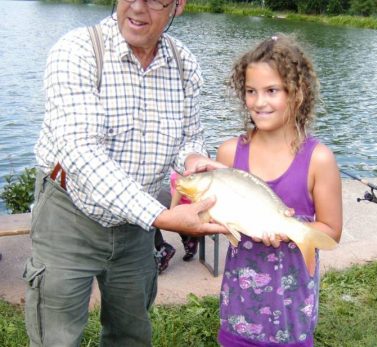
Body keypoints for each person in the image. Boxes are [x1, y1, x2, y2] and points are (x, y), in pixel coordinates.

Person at [24, 0, 227, 346]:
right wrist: (163, 217)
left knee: (130, 334)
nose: (137, 7)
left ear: (178, 5)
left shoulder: (184, 65)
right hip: (68, 214)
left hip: (137, 227)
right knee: (54, 339)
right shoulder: (77, 51)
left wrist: (194, 160)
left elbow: (190, 137)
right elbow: (82, 156)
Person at [215, 34, 343, 346]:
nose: (259, 102)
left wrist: (284, 229)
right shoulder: (229, 154)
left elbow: (331, 230)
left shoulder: (318, 159)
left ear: (297, 93)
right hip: (239, 305)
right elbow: (221, 221)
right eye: (250, 91)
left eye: (271, 90)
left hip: (291, 306)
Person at [154, 171, 199, 274]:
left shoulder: (189, 163)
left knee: (148, 212)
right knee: (147, 204)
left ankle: (163, 247)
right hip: (178, 198)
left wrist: (172, 211)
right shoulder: (178, 160)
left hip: (190, 204)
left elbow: (181, 186)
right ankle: (188, 238)